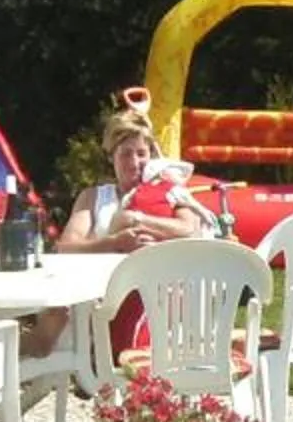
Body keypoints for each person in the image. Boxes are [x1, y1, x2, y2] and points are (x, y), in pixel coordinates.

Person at [45, 98, 210, 358]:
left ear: (152, 156)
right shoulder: (93, 197)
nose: (135, 162)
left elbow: (189, 228)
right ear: (111, 158)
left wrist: (137, 219)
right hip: (100, 297)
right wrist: (114, 242)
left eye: (142, 153)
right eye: (126, 154)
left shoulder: (167, 191)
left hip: (159, 297)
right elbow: (66, 247)